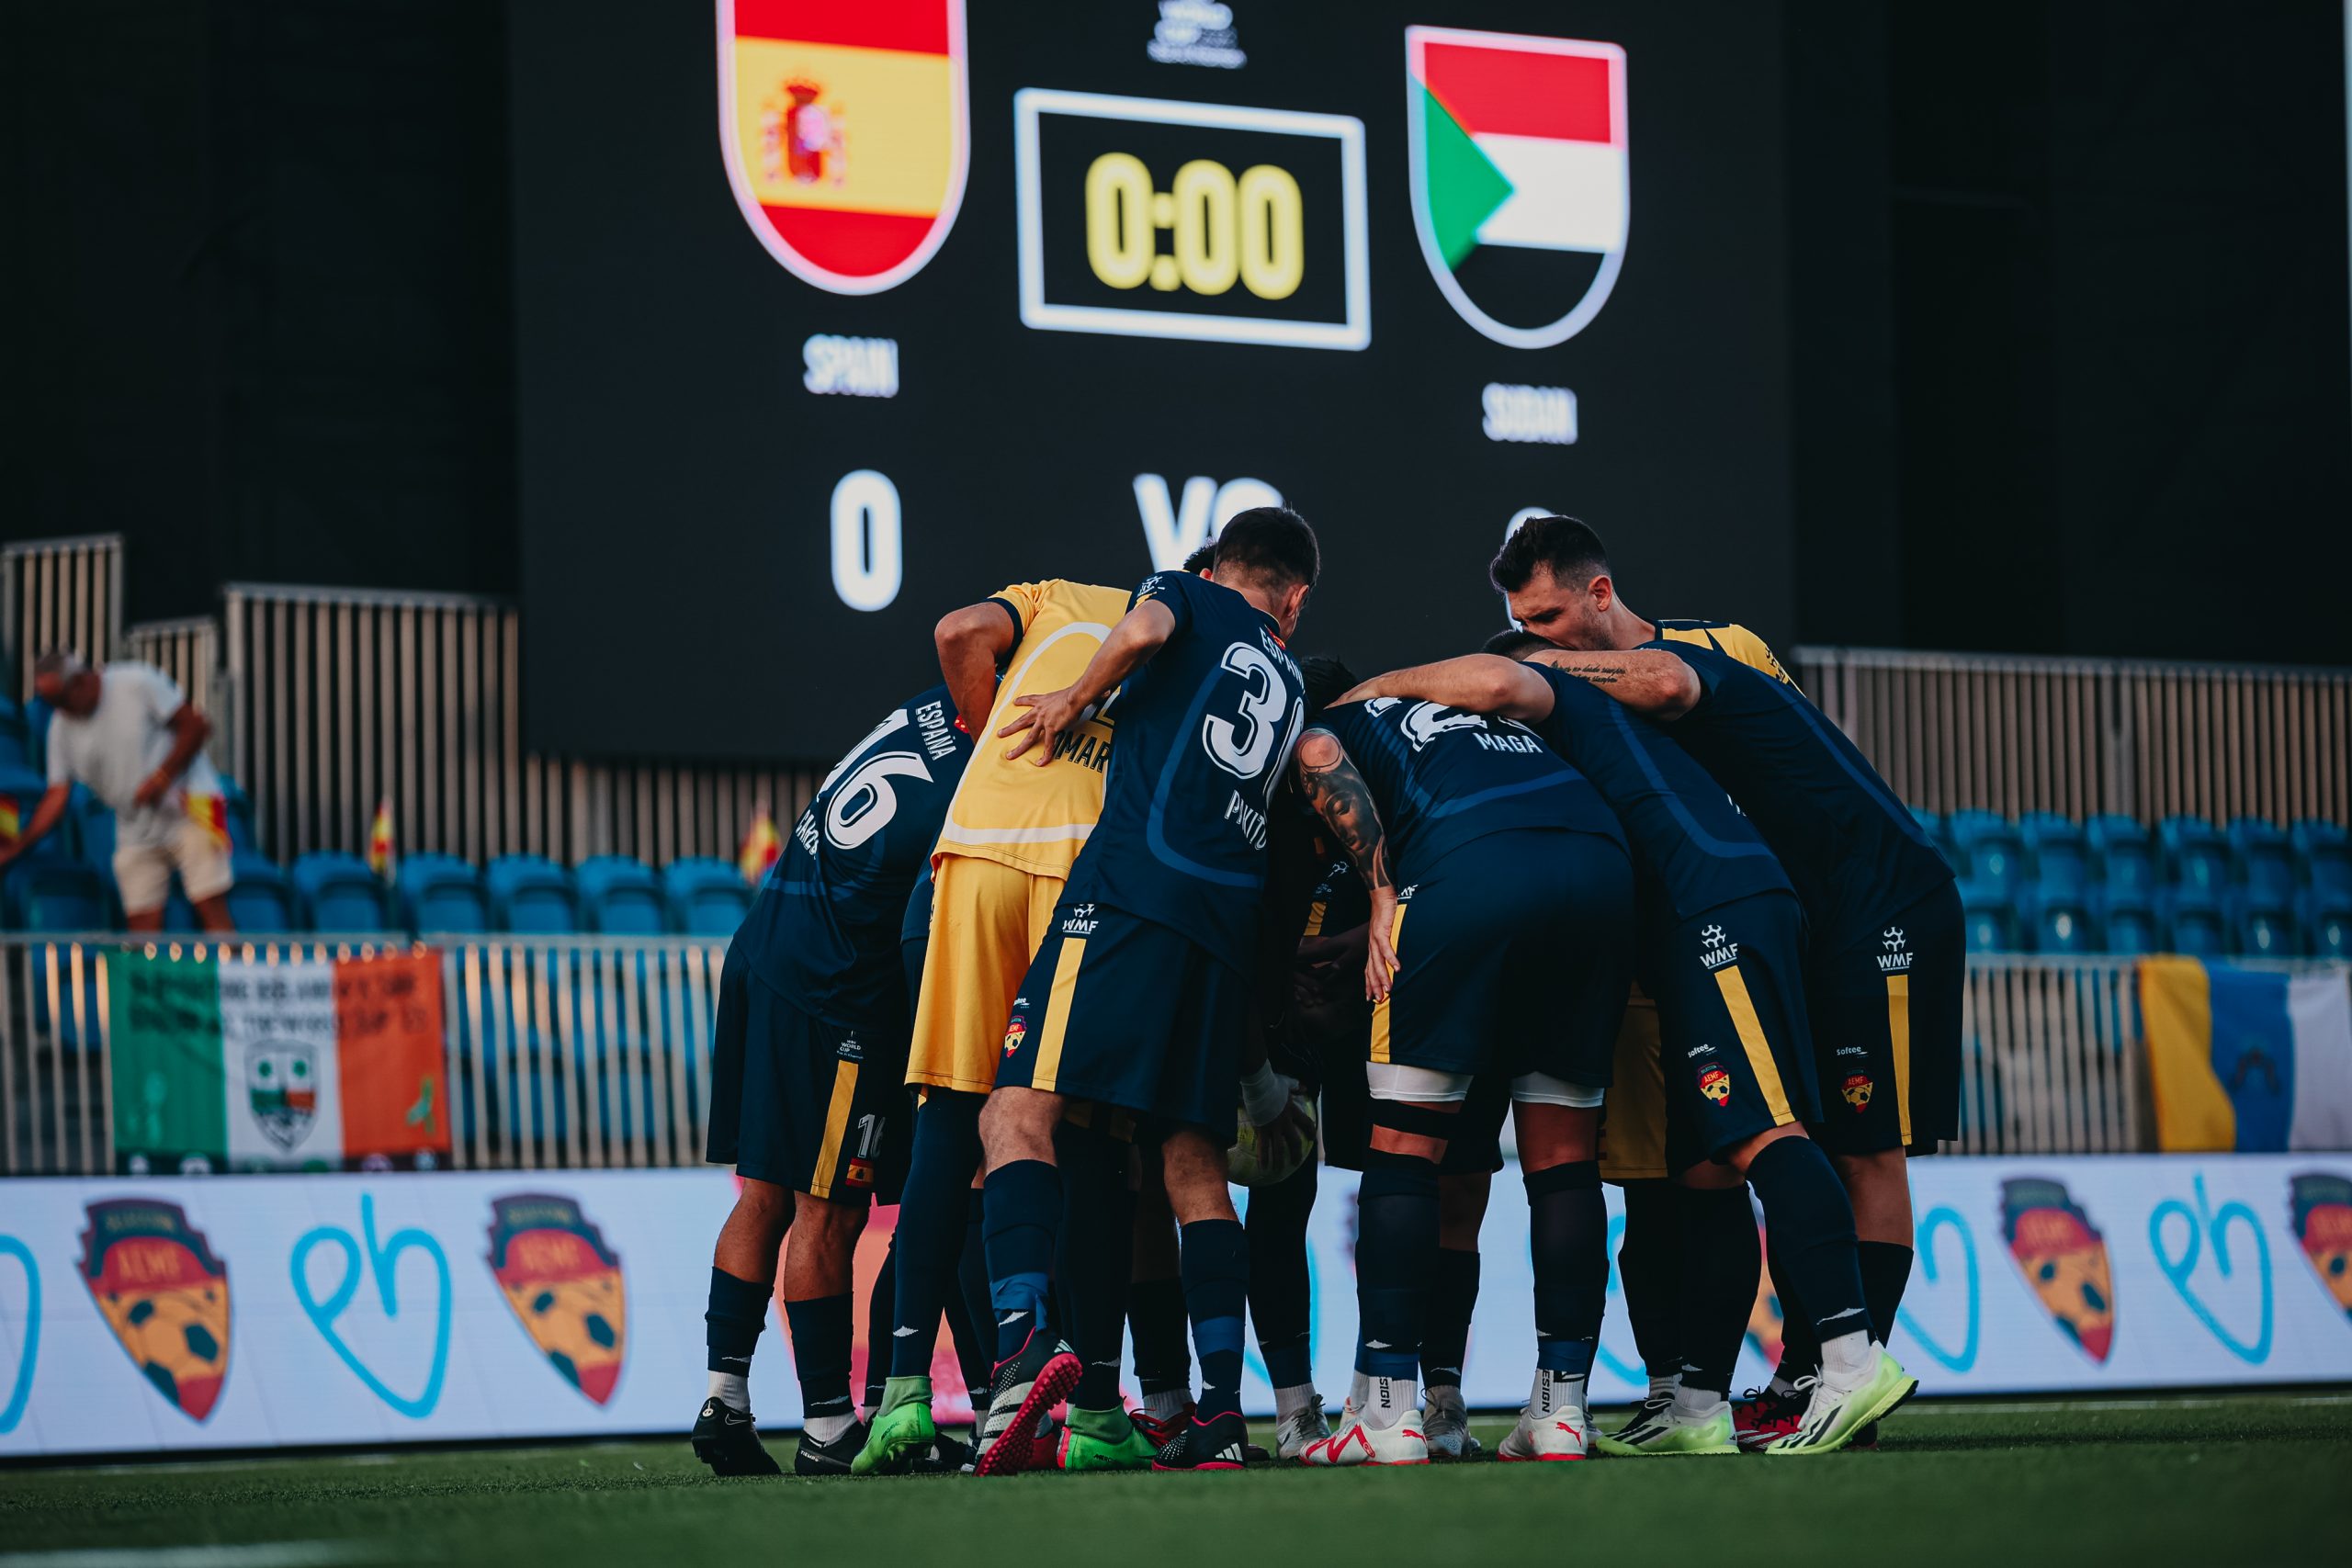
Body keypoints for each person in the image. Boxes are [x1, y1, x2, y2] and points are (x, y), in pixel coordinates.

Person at [1342, 642, 1918, 1456]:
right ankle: (1695, 1404)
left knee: (1762, 1132)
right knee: (1701, 1169)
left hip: (1710, 904)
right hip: (1666, 920)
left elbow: (1505, 676)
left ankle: (1850, 1359)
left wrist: (1375, 688)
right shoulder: (1557, 750)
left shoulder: (1555, 698)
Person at [973, 506, 1320, 1475]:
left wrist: (1072, 697)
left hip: (1129, 894)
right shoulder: (1291, 679)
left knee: (1014, 1110)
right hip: (1222, 927)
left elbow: (1144, 630)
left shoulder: (1187, 594)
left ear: (1220, 568)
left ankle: (1022, 1346)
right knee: (1191, 1162)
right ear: (1295, 600)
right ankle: (1221, 1417)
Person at [1488, 515, 1799, 1444]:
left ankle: (1739, 1383)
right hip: (1629, 965)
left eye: (1547, 616)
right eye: (1523, 624)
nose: (1537, 637)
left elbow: (1790, 758)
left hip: (1733, 934)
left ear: (1599, 591)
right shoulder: (1548, 692)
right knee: (1648, 1194)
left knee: (1730, 1170)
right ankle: (1673, 1390)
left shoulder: (1727, 648)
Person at [854, 573, 1153, 1476]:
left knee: (949, 1123)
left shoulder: (1058, 595)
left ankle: (902, 1401)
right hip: (1085, 869)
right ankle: (1095, 1410)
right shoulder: (1201, 637)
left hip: (974, 852)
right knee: (1091, 1136)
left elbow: (957, 632)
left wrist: (997, 743)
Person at [1291, 681, 1634, 1465]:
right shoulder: (1476, 726)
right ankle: (1561, 1409)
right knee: (1563, 1161)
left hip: (1468, 864)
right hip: (1601, 870)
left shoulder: (1328, 722)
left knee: (1404, 1152)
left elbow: (1316, 753)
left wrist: (1380, 890)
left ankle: (1387, 1413)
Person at [694, 687, 973, 1477]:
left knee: (764, 1195)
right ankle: (826, 1426)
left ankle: (724, 1398)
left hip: (764, 945)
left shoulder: (933, 708)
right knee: (832, 1211)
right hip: (831, 990)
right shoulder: (986, 766)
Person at [0, 652, 234, 931]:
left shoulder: (135, 681)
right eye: (50, 703)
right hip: (133, 824)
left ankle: (234, 961)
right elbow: (56, 796)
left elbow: (197, 726)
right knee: (141, 924)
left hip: (194, 804)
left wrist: (161, 778)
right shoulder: (60, 729)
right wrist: (19, 845)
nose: (57, 709)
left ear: (80, 682)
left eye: (60, 700)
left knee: (209, 903)